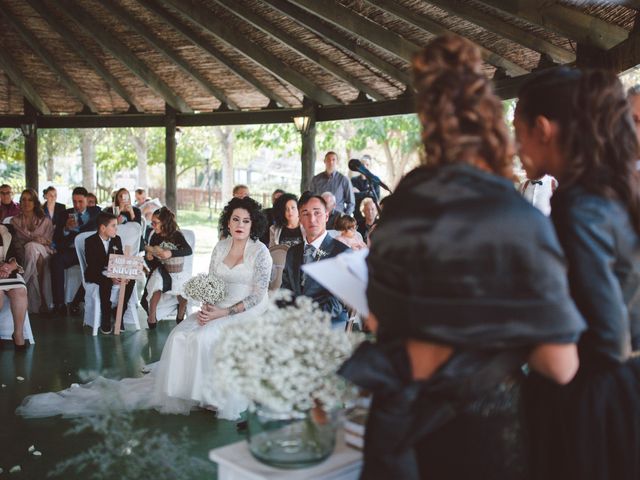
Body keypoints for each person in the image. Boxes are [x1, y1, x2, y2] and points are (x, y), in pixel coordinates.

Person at [338, 35, 585, 479]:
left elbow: (376, 321)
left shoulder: (399, 212)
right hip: (485, 430)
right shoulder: (522, 223)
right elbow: (559, 364)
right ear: (494, 131)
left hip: (396, 427)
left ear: (429, 125)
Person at [17, 197, 273, 420]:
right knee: (181, 334)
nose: (240, 225)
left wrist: (223, 313)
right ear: (228, 222)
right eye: (235, 219)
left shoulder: (260, 252)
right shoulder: (220, 247)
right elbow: (213, 282)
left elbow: (258, 294)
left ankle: (214, 395)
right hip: (218, 304)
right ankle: (190, 391)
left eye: (246, 221)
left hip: (246, 309)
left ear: (254, 224)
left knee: (208, 335)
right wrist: (208, 306)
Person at [515, 67, 640, 480]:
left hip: (595, 402)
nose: (516, 148)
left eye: (518, 132)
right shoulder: (613, 187)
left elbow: (604, 337)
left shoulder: (579, 205)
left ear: (543, 129)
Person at [281, 194, 350, 327]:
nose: (312, 219)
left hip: (329, 322)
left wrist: (306, 318)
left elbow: (337, 302)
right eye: (305, 214)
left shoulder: (342, 253)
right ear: (300, 219)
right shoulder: (293, 252)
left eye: (317, 213)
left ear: (326, 216)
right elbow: (285, 291)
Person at [50, 187, 101, 315]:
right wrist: (66, 229)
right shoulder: (63, 215)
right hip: (71, 251)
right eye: (74, 201)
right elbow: (57, 239)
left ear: (87, 200)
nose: (77, 205)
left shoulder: (96, 212)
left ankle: (76, 301)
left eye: (80, 202)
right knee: (56, 261)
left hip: (89, 251)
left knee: (98, 264)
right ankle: (59, 304)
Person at [84, 212, 135, 334]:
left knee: (131, 280)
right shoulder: (90, 241)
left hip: (112, 271)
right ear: (102, 228)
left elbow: (121, 258)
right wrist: (111, 274)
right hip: (96, 272)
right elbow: (93, 265)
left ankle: (119, 313)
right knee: (106, 282)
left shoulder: (117, 239)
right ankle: (106, 316)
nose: (116, 229)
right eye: (113, 226)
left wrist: (122, 273)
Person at [142, 207, 192, 326]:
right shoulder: (155, 236)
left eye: (155, 223)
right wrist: (149, 257)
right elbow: (152, 257)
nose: (153, 225)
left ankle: (181, 312)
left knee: (183, 290)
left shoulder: (176, 235)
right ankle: (152, 316)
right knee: (156, 285)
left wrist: (171, 253)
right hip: (162, 269)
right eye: (152, 222)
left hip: (178, 271)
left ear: (165, 222)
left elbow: (188, 250)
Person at [10, 189, 54, 314]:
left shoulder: (45, 220)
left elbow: (50, 241)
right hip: (23, 255)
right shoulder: (15, 221)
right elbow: (15, 244)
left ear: (35, 203)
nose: (26, 202)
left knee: (33, 248)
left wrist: (38, 241)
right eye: (23, 199)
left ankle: (23, 281)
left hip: (45, 252)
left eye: (30, 200)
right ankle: (43, 302)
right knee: (33, 253)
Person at [0, 224, 28, 349]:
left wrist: (12, 265)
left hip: (8, 271)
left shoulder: (8, 228)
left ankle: (18, 334)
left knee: (19, 291)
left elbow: (19, 252)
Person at [351, 154, 381, 222]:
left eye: (367, 165)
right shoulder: (353, 180)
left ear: (370, 166)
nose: (364, 167)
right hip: (357, 215)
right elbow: (353, 197)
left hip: (371, 215)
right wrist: (368, 193)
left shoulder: (375, 180)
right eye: (362, 165)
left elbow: (376, 197)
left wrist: (360, 193)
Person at [42, 186, 66, 252]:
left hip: (58, 234)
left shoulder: (61, 207)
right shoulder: (41, 209)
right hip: (45, 234)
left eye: (55, 195)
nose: (53, 197)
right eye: (50, 195)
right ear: (46, 196)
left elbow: (64, 222)